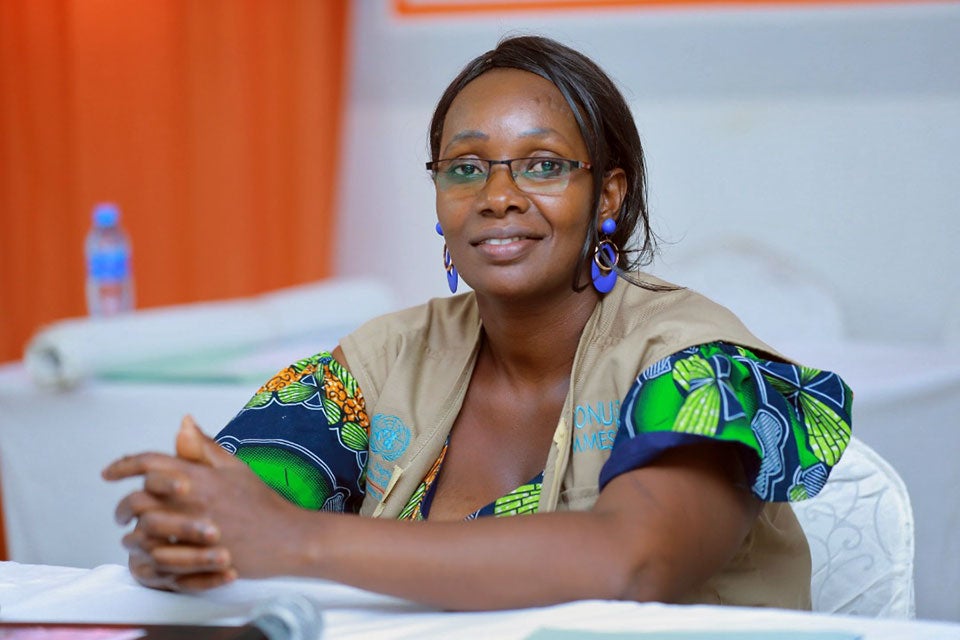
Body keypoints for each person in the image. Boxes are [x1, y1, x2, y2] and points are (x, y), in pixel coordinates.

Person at [103, 35, 852, 611]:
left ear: (611, 194)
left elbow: (632, 561)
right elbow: (224, 514)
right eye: (465, 167)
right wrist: (183, 531)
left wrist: (297, 541)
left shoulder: (703, 363)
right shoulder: (384, 361)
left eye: (543, 165)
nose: (497, 194)